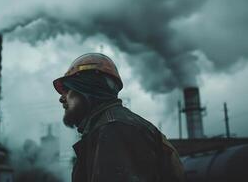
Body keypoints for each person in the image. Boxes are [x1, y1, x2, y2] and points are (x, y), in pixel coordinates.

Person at [53, 53, 184, 182]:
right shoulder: (108, 127)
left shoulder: (114, 129)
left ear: (88, 89)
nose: (61, 98)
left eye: (67, 90)